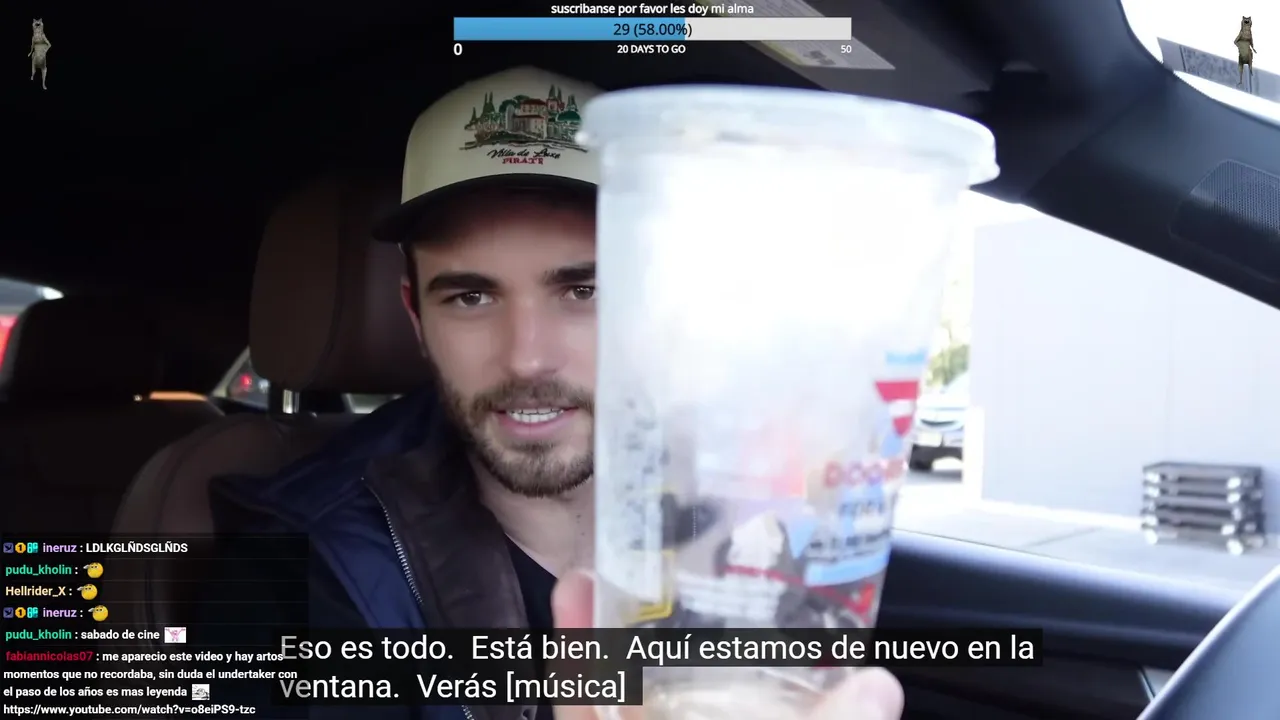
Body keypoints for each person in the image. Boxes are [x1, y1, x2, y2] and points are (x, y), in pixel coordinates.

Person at [210, 66, 904, 720]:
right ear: (416, 316)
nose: (528, 357)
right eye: (472, 297)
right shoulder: (297, 572)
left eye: (584, 290)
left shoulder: (749, 517)